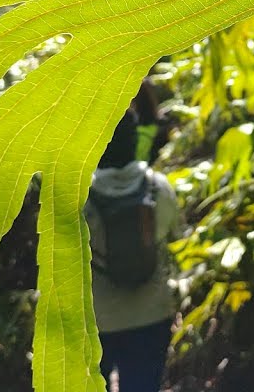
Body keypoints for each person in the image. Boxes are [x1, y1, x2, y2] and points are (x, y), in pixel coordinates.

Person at [86, 104, 181, 392]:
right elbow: (174, 238)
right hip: (151, 314)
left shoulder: (80, 201)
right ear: (134, 140)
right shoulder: (158, 188)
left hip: (97, 320)